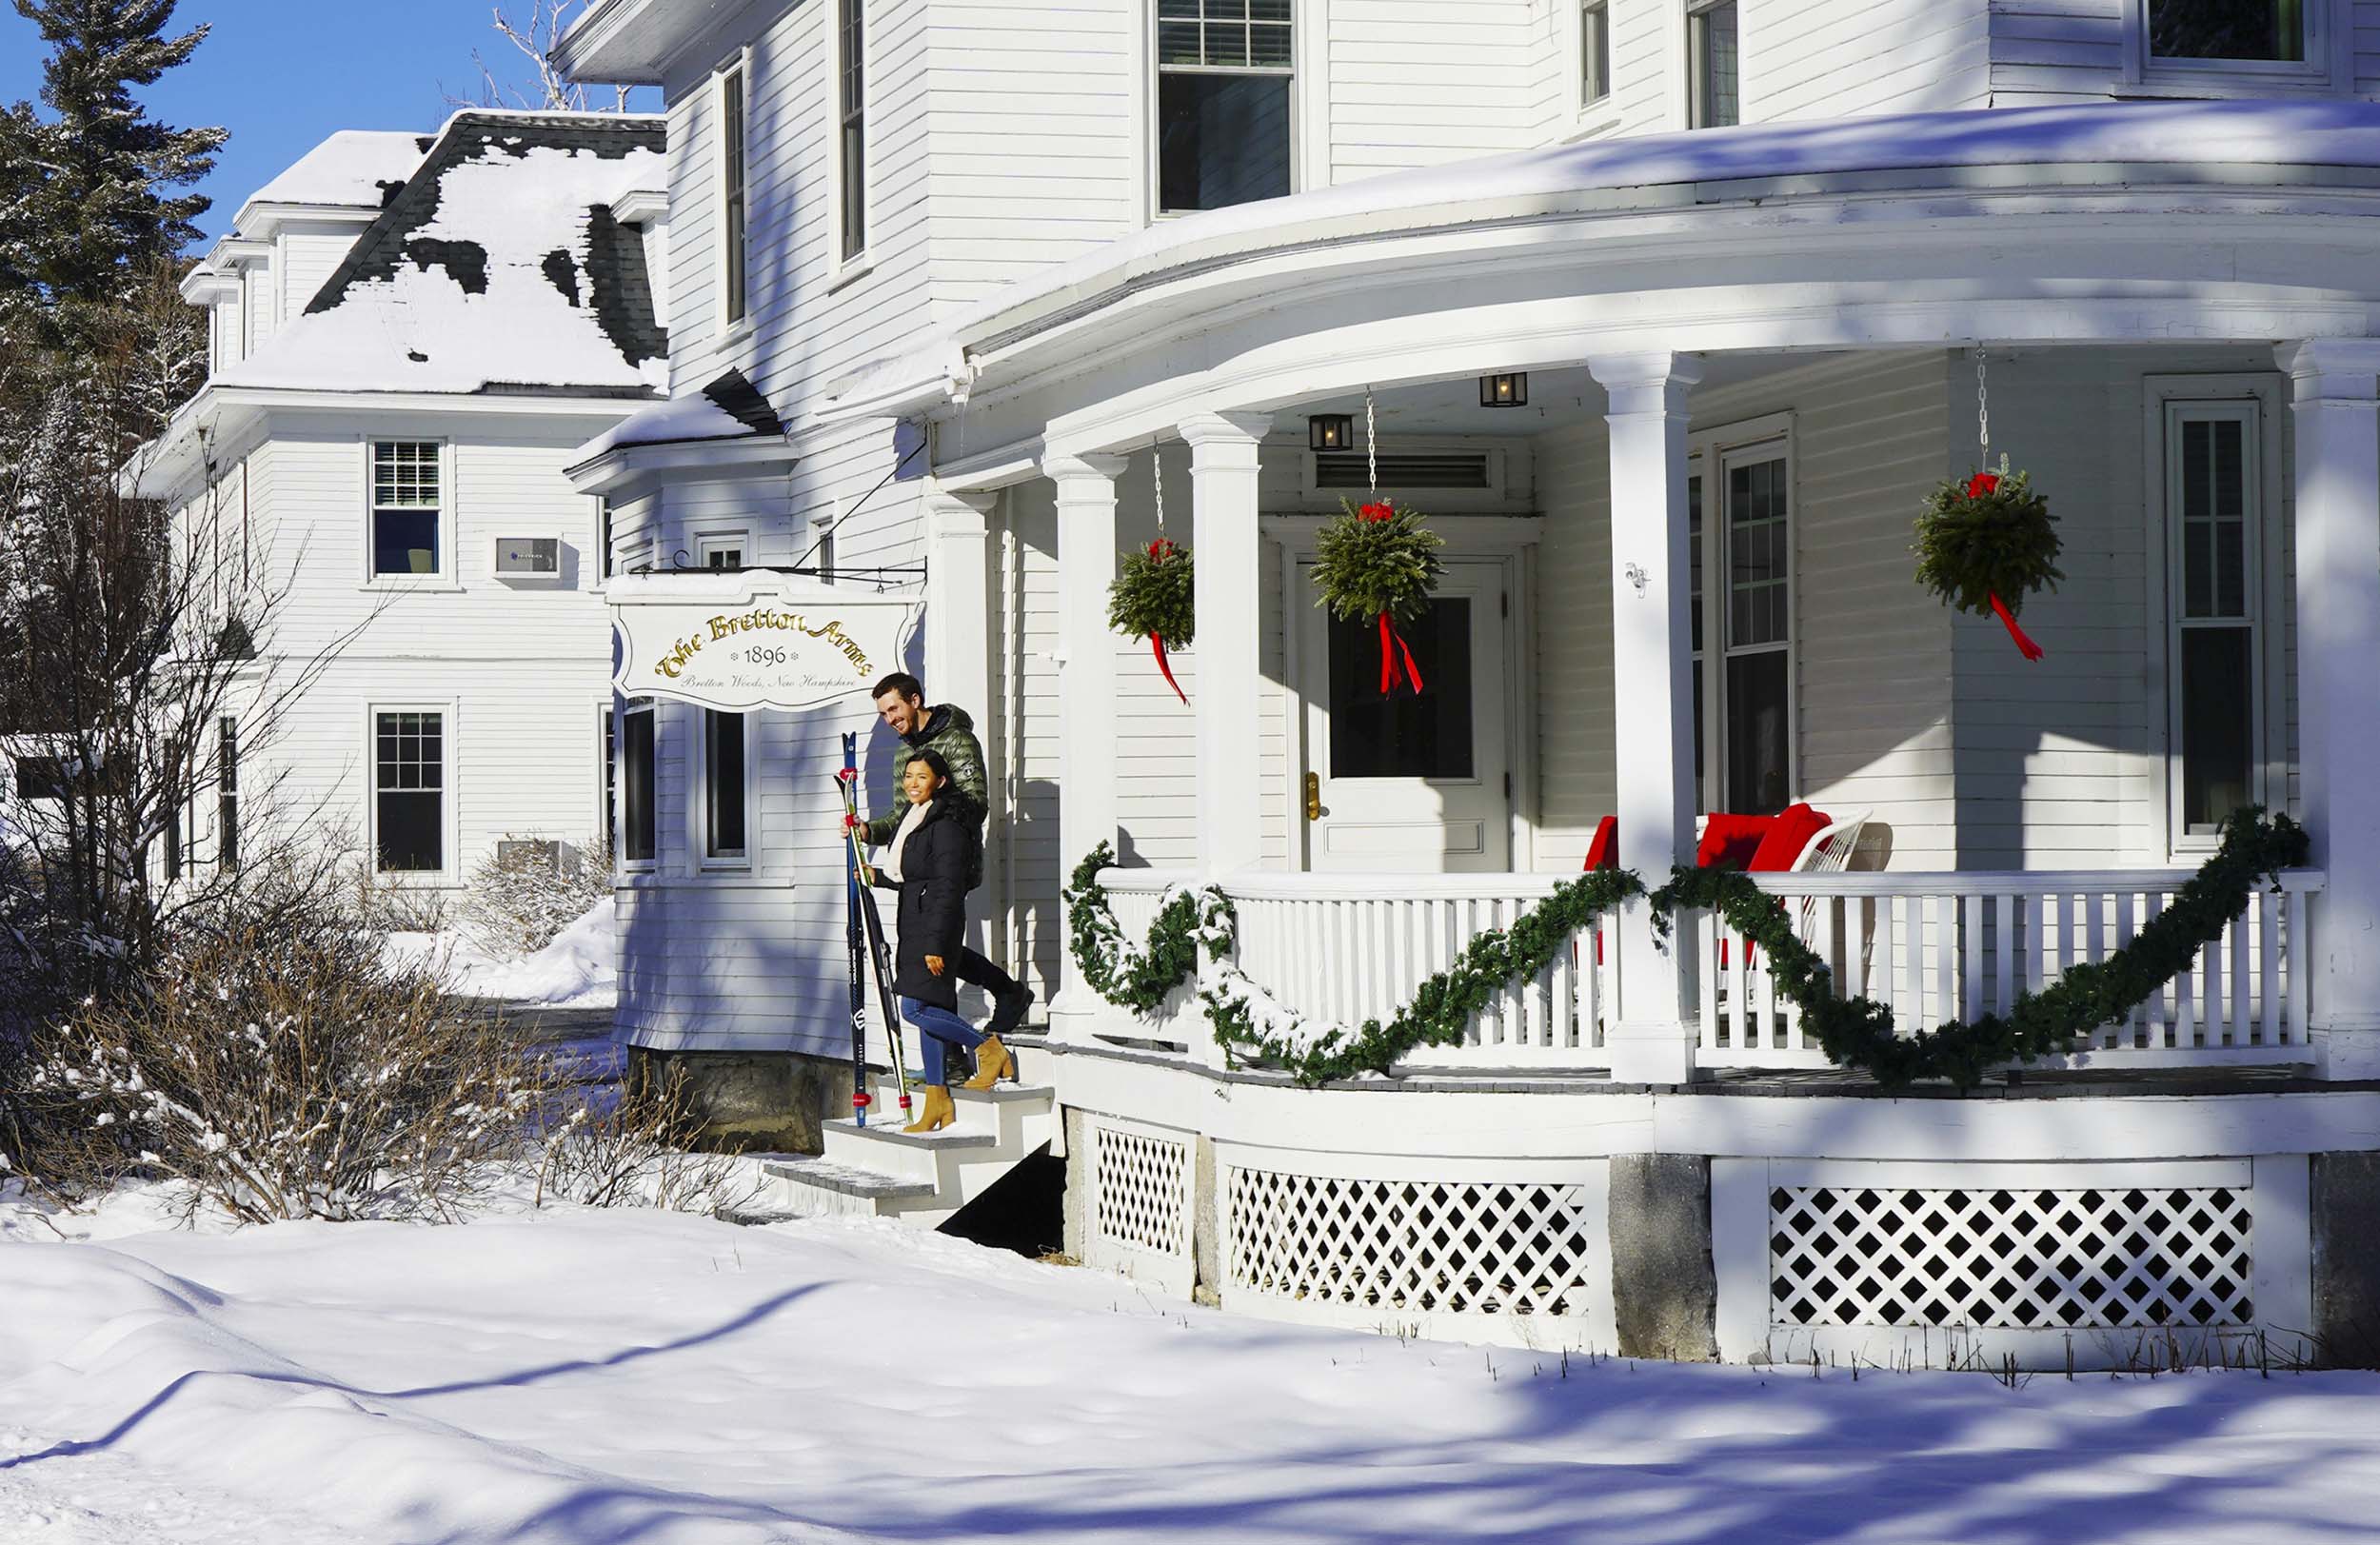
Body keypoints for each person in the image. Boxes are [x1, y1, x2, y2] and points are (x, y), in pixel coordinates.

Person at [852, 671, 1032, 1038]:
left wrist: (933, 815)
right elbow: (903, 816)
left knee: (934, 951)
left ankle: (969, 1037)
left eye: (894, 709)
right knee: (935, 952)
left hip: (947, 860)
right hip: (915, 865)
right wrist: (870, 830)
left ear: (915, 700)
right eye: (884, 714)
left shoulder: (958, 740)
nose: (890, 720)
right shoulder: (905, 751)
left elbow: (976, 803)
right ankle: (1004, 996)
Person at [866, 749, 1015, 1134]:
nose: (913, 783)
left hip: (934, 928)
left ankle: (988, 1048)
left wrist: (936, 943)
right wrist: (876, 877)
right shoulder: (915, 817)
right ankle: (938, 1103)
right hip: (915, 923)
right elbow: (914, 875)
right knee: (927, 1019)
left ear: (941, 781)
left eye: (922, 777)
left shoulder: (946, 824)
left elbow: (948, 886)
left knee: (914, 1009)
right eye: (909, 776)